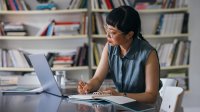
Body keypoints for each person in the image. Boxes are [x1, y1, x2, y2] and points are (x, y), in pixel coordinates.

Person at [77, 6, 162, 110]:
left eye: (112, 32)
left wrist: (120, 96)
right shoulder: (109, 48)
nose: (107, 36)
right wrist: (88, 86)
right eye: (106, 29)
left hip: (145, 109)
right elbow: (98, 79)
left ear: (129, 35)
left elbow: (151, 96)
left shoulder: (149, 54)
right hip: (122, 107)